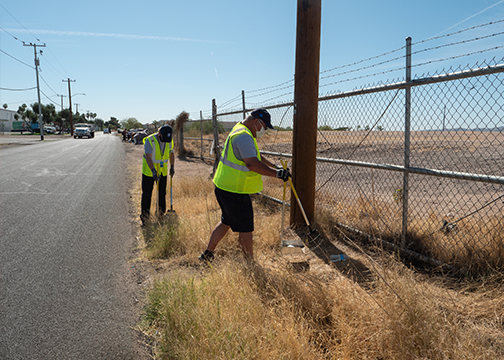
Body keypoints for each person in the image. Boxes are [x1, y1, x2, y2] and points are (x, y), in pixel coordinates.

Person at [199, 108, 291, 262]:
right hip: (235, 191)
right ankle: (250, 264)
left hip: (224, 187)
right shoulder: (243, 136)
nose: (264, 130)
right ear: (257, 122)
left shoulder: (240, 130)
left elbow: (256, 155)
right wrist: (277, 175)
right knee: (246, 229)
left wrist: (275, 166)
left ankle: (208, 253)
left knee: (226, 221)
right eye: (264, 127)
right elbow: (252, 163)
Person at [140, 125, 175, 226]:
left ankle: (160, 214)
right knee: (147, 194)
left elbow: (171, 153)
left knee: (162, 193)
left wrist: (172, 166)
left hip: (162, 171)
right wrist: (153, 171)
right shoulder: (150, 140)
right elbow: (148, 156)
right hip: (149, 172)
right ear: (159, 134)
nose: (166, 140)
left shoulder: (170, 141)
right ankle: (145, 218)